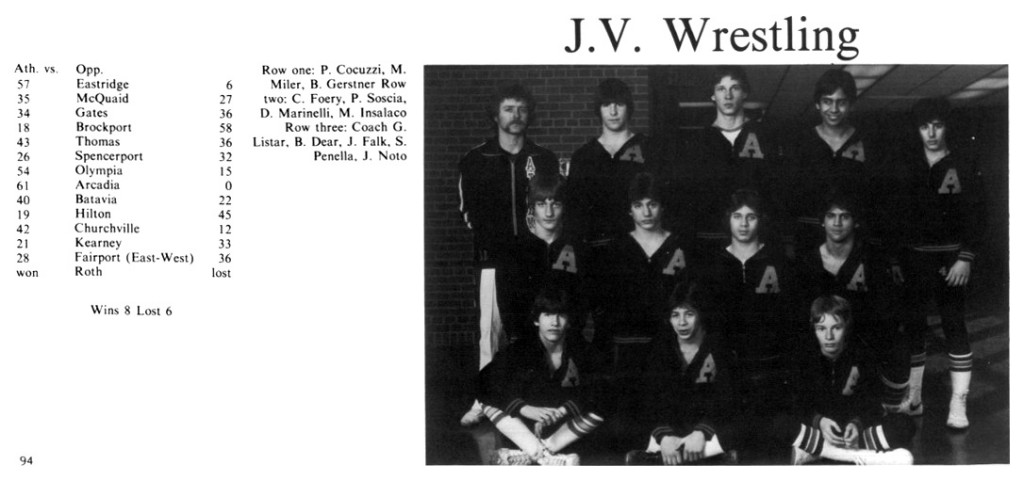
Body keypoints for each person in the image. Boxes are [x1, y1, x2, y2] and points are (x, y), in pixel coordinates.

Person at [458, 84, 561, 425]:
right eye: (508, 108)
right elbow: (467, 211)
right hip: (493, 259)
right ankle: (483, 400)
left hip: (535, 259)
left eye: (521, 109)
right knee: (490, 331)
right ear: (495, 115)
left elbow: (552, 205)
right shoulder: (476, 160)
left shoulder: (543, 159)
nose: (515, 115)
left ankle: (533, 396)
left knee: (535, 328)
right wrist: (500, 242)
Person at [894, 97, 986, 429]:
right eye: (924, 126)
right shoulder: (908, 164)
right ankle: (914, 398)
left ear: (946, 127)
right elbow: (895, 216)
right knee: (914, 327)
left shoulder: (963, 161)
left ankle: (958, 403)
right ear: (917, 129)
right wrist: (897, 259)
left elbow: (978, 213)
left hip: (952, 258)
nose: (931, 133)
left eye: (937, 125)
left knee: (953, 324)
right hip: (915, 257)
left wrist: (966, 257)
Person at [698, 189, 798, 461]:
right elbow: (709, 323)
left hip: (771, 369)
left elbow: (791, 321)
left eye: (750, 217)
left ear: (760, 220)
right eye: (737, 216)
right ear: (728, 219)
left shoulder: (779, 262)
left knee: (770, 443)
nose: (743, 224)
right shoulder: (714, 264)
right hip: (729, 369)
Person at [795, 192, 909, 411]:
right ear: (822, 221)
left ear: (855, 222)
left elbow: (885, 316)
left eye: (844, 216)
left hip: (862, 343)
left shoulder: (872, 258)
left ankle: (889, 408)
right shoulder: (808, 261)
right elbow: (801, 318)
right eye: (831, 216)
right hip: (823, 344)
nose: (837, 223)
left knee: (898, 346)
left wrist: (859, 360)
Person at [477, 286, 608, 465]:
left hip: (561, 423)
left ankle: (537, 451)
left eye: (561, 315)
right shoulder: (519, 349)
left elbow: (601, 388)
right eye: (547, 315)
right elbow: (483, 383)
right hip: (525, 422)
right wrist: (523, 408)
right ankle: (545, 455)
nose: (555, 322)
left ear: (569, 321)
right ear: (536, 320)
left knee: (604, 404)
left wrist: (563, 411)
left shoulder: (582, 349)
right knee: (487, 401)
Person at [667, 66, 782, 257]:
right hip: (710, 240)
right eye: (721, 89)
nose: (728, 95)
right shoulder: (698, 142)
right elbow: (687, 199)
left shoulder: (765, 137)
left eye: (734, 88)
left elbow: (774, 193)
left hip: (755, 241)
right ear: (713, 95)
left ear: (745, 93)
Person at [787, 295, 915, 465]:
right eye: (821, 329)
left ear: (846, 327)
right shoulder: (805, 356)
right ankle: (862, 456)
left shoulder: (862, 354)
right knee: (778, 422)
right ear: (814, 329)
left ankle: (817, 451)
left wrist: (857, 424)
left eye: (836, 328)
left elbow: (872, 403)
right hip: (818, 428)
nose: (829, 336)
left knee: (904, 424)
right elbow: (799, 403)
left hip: (851, 430)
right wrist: (819, 421)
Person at [625, 283, 737, 465]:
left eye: (689, 314)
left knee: (743, 425)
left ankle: (660, 458)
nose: (682, 322)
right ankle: (702, 456)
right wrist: (664, 436)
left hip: (707, 429)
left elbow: (726, 397)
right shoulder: (660, 349)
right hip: (671, 427)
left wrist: (702, 432)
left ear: (701, 315)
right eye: (675, 315)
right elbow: (650, 398)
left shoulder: (718, 347)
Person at [786, 69, 890, 257]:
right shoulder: (801, 142)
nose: (834, 109)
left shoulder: (867, 143)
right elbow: (790, 197)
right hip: (809, 236)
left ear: (851, 105)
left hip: (855, 238)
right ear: (817, 104)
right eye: (827, 101)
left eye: (841, 102)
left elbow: (877, 197)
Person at [600, 172, 692, 369]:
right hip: (627, 345)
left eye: (652, 204)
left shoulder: (680, 246)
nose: (646, 212)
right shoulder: (616, 248)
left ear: (662, 207)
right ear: (630, 210)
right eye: (638, 205)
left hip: (671, 343)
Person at [567, 78, 662, 249]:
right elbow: (574, 214)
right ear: (598, 109)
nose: (613, 111)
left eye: (619, 104)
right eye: (606, 105)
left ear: (628, 107)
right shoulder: (583, 156)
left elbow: (662, 202)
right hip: (596, 249)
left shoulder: (649, 149)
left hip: (640, 248)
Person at [506, 173, 591, 345]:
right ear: (532, 207)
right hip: (527, 342)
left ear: (564, 207)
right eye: (541, 204)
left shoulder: (579, 249)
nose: (549, 212)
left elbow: (583, 302)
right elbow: (509, 307)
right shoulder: (516, 251)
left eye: (556, 204)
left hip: (568, 340)